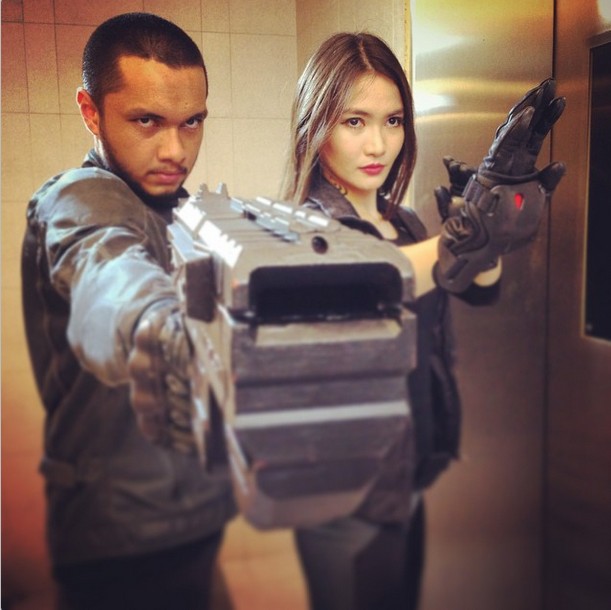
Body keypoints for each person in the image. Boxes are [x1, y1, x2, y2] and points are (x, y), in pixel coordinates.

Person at [281, 32, 565, 610]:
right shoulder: (304, 232)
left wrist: (488, 237)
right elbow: (370, 277)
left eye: (392, 121)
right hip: (345, 493)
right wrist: (465, 235)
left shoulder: (405, 223)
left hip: (407, 471)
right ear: (316, 127)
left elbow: (475, 289)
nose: (378, 144)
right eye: (354, 122)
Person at [21, 13, 236, 610]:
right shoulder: (79, 200)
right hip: (118, 541)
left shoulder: (180, 210)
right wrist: (155, 326)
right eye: (147, 121)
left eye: (192, 122)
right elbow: (109, 275)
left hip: (194, 515)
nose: (175, 150)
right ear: (91, 113)